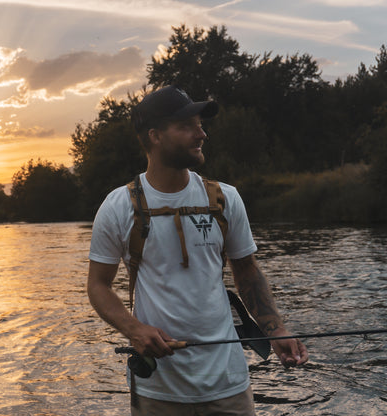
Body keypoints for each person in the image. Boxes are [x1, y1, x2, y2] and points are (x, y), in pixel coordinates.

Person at [87, 85, 308, 416]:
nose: (201, 133)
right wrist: (134, 330)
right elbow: (98, 286)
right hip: (157, 391)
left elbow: (246, 270)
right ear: (155, 136)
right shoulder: (118, 206)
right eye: (187, 125)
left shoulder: (225, 199)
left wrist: (275, 330)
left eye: (200, 124)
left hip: (228, 384)